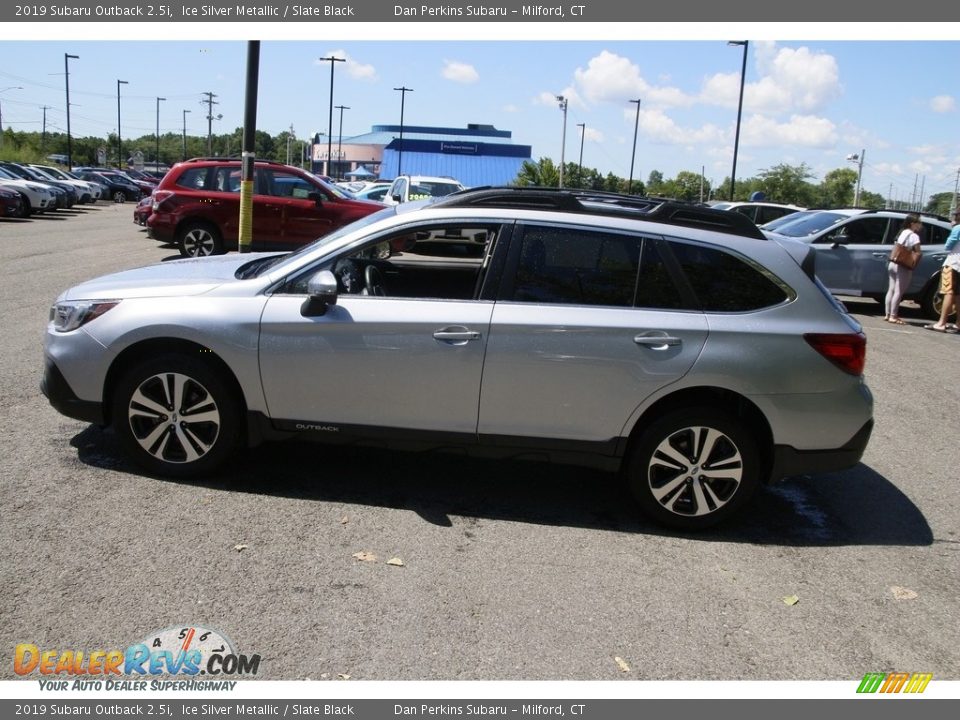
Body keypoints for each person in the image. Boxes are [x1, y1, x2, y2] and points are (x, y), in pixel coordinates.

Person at [925, 210, 960, 333]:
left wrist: (954, 227)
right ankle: (958, 323)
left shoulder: (958, 228)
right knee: (958, 295)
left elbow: (948, 245)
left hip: (953, 263)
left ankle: (942, 323)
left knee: (948, 293)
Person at [884, 214, 922, 324]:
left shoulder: (902, 232)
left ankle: (887, 314)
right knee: (899, 291)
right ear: (912, 224)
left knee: (891, 289)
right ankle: (893, 316)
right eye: (918, 223)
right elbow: (918, 251)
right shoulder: (914, 236)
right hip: (903, 264)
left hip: (893, 262)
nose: (920, 225)